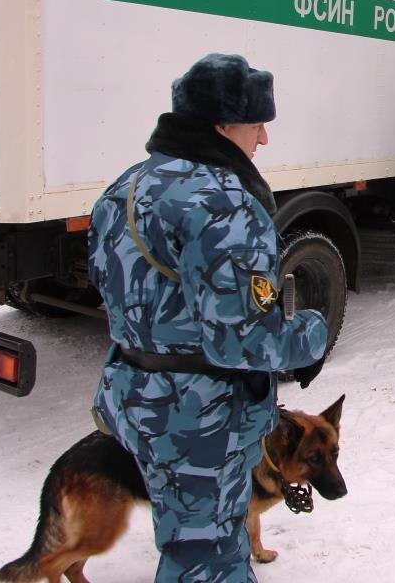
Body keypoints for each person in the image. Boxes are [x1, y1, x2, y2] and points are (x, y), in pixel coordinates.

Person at [88, 53, 328, 582]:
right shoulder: (225, 203)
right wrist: (311, 333)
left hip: (136, 398)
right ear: (221, 125)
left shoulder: (125, 187)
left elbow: (115, 292)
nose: (263, 139)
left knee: (186, 538)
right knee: (209, 557)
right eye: (256, 124)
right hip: (200, 419)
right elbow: (241, 342)